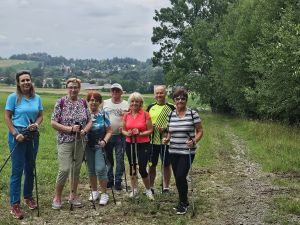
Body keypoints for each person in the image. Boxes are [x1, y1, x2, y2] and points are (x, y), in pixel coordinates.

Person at [4, 70, 43, 219]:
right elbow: (7, 117)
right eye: (23, 80)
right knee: (17, 170)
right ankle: (15, 204)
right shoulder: (13, 97)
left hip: (32, 134)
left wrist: (36, 124)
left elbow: (40, 116)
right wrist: (15, 133)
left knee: (30, 167)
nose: (26, 82)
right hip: (18, 135)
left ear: (31, 81)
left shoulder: (37, 98)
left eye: (28, 80)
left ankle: (28, 197)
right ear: (18, 83)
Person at [51, 77, 92, 210]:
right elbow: (53, 122)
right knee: (64, 169)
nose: (73, 89)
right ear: (67, 88)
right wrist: (69, 129)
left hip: (80, 141)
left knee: (76, 169)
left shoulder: (83, 103)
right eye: (71, 87)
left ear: (79, 88)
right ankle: (57, 197)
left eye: (75, 87)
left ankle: (72, 196)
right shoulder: (61, 102)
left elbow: (90, 120)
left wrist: (84, 130)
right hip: (65, 141)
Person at [162, 88, 203, 215]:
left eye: (183, 98)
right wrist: (167, 138)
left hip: (187, 151)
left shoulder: (192, 114)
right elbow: (170, 130)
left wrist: (194, 141)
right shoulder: (171, 114)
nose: (180, 100)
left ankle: (183, 203)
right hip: (173, 150)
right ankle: (183, 201)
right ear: (174, 100)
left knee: (180, 176)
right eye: (177, 98)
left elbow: (200, 131)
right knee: (178, 177)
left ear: (186, 100)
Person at [121, 92, 154, 200]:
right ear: (130, 102)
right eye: (132, 101)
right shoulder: (126, 114)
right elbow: (123, 130)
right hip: (130, 143)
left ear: (140, 103)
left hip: (143, 143)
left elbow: (150, 130)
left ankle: (148, 189)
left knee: (142, 167)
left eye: (137, 101)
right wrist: (128, 133)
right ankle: (134, 189)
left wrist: (140, 133)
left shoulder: (145, 114)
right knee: (132, 166)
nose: (134, 103)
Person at [147, 85, 175, 194]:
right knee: (152, 165)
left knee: (166, 164)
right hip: (152, 141)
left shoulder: (172, 107)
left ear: (165, 93)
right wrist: (150, 127)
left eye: (161, 93)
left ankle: (166, 187)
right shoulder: (150, 107)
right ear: (154, 95)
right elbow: (145, 123)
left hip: (166, 141)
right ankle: (151, 186)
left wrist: (166, 129)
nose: (159, 95)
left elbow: (176, 123)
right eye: (157, 93)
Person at [86, 91, 112, 205]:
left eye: (96, 100)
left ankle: (104, 193)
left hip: (99, 146)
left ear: (100, 102)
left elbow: (109, 130)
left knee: (101, 168)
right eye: (91, 100)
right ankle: (94, 191)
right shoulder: (85, 114)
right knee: (91, 169)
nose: (94, 102)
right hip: (87, 146)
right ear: (88, 101)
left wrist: (105, 141)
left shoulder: (104, 114)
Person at [103, 83, 128, 190]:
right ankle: (109, 179)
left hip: (121, 136)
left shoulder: (126, 104)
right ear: (110, 92)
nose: (115, 92)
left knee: (120, 159)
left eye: (117, 91)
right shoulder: (105, 103)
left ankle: (118, 181)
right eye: (113, 90)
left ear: (121, 92)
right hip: (107, 135)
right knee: (108, 159)